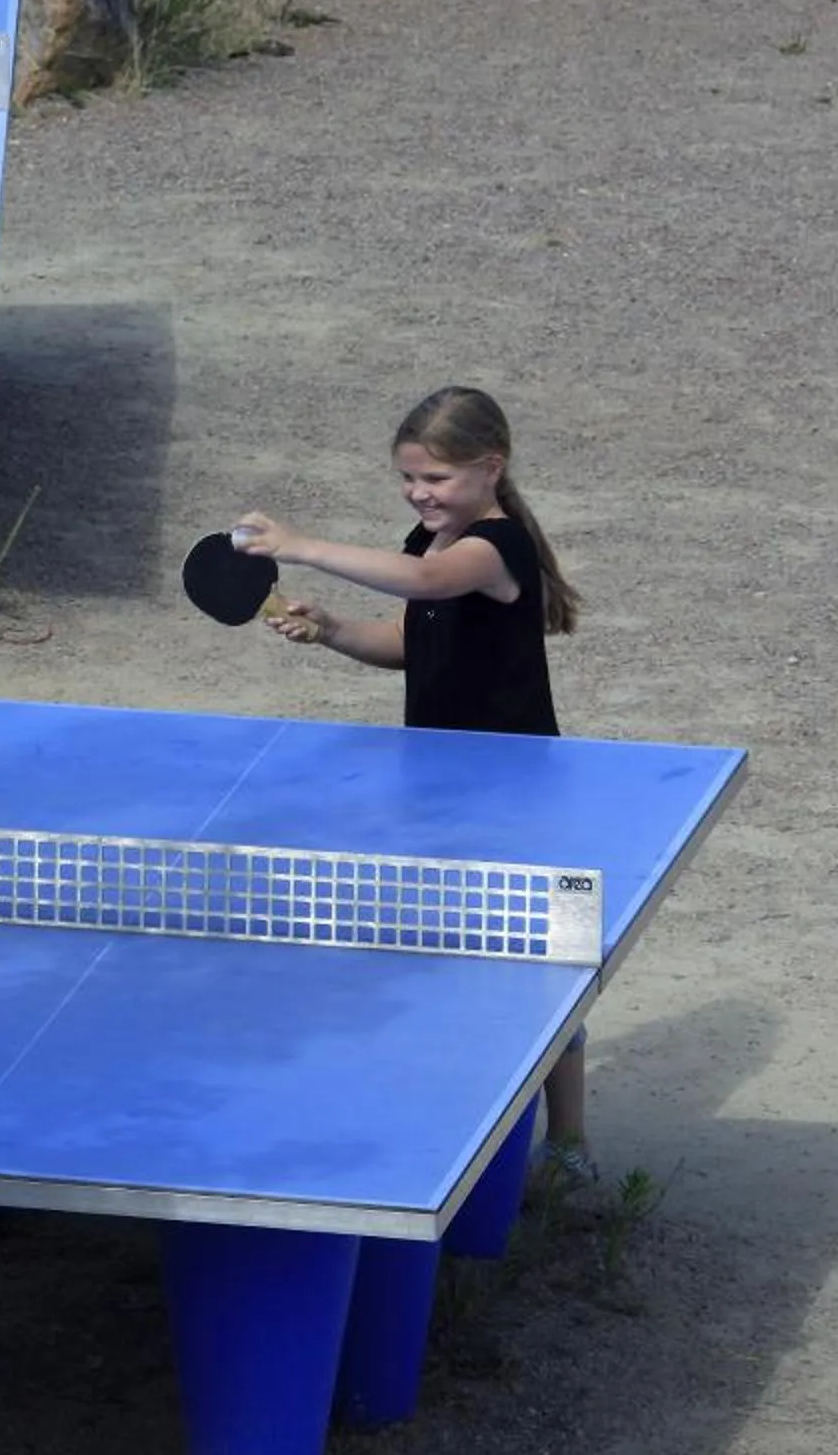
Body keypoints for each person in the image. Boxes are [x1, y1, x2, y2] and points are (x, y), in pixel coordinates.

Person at [231, 383, 592, 1177]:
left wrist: (300, 543)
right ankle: (461, 1108)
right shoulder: (429, 544)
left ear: (490, 467)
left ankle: (569, 1147)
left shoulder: (495, 548)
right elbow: (408, 637)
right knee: (445, 956)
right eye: (408, 479)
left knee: (542, 967)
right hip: (438, 789)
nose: (420, 493)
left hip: (513, 791)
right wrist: (329, 630)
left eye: (436, 479)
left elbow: (424, 586)